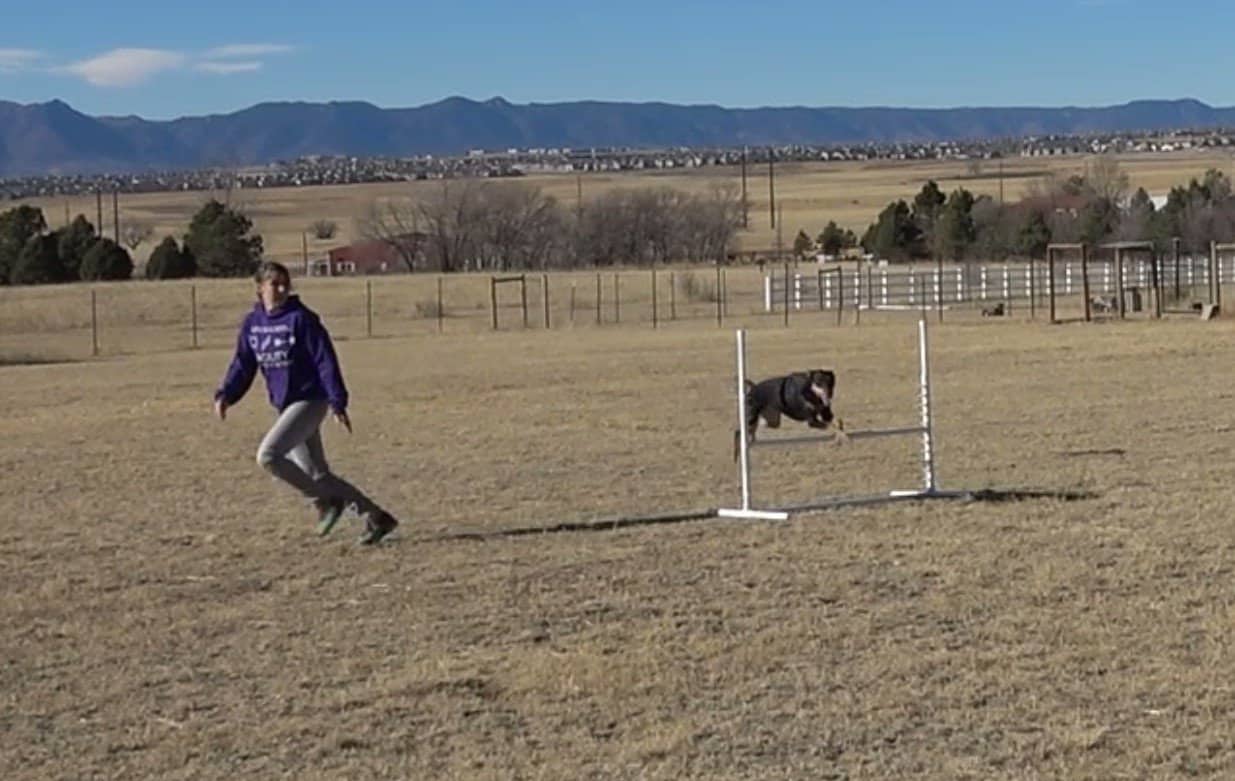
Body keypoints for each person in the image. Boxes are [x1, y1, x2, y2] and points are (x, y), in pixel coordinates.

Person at [213, 261, 399, 544]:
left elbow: (325, 360)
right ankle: (376, 517)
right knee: (317, 474)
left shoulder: (302, 319)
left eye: (284, 283)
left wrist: (337, 401)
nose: (281, 288)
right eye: (274, 283)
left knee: (269, 456)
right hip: (285, 405)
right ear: (260, 288)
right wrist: (227, 394)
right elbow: (243, 363)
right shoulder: (253, 324)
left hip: (310, 400)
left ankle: (324, 502)